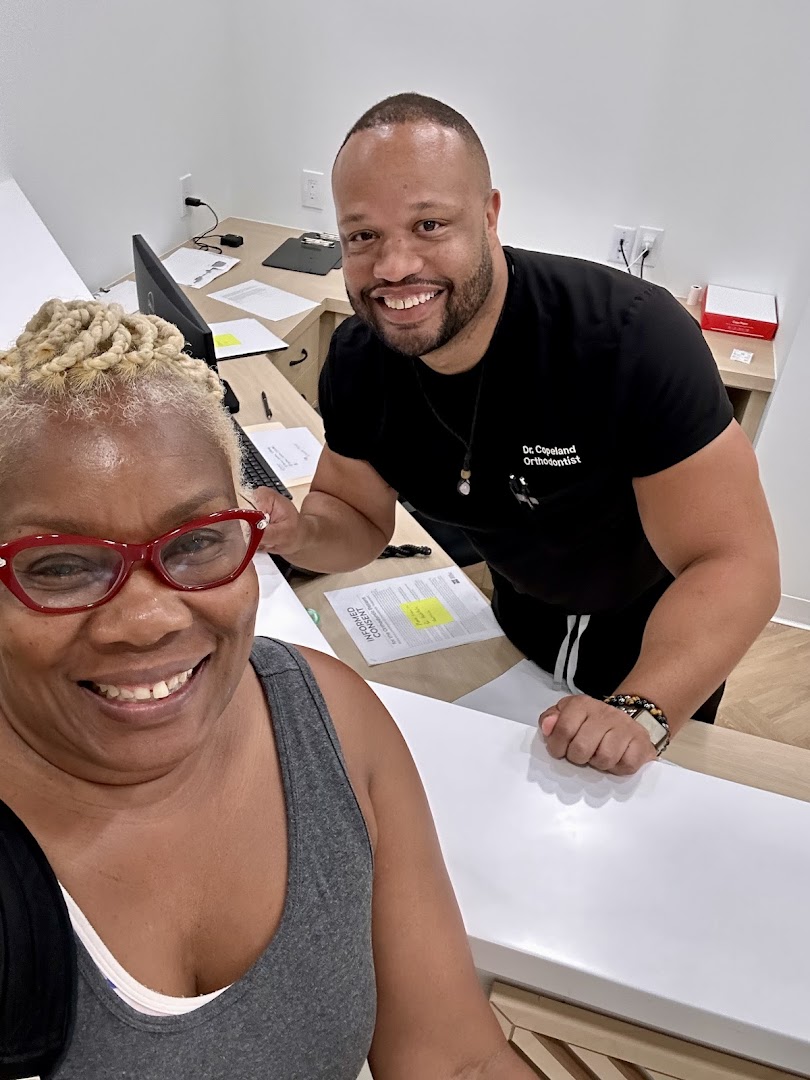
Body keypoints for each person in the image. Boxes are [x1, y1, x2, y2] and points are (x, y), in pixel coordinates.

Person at [0, 299, 535, 1080]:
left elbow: (456, 1058)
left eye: (197, 542)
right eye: (59, 565)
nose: (147, 620)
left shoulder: (330, 724)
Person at [256, 92, 780, 776]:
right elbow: (352, 514)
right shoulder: (361, 359)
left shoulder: (630, 341)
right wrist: (295, 533)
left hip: (656, 644)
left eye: (429, 224)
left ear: (490, 215)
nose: (392, 267)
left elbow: (737, 564)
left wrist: (643, 708)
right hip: (515, 621)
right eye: (363, 236)